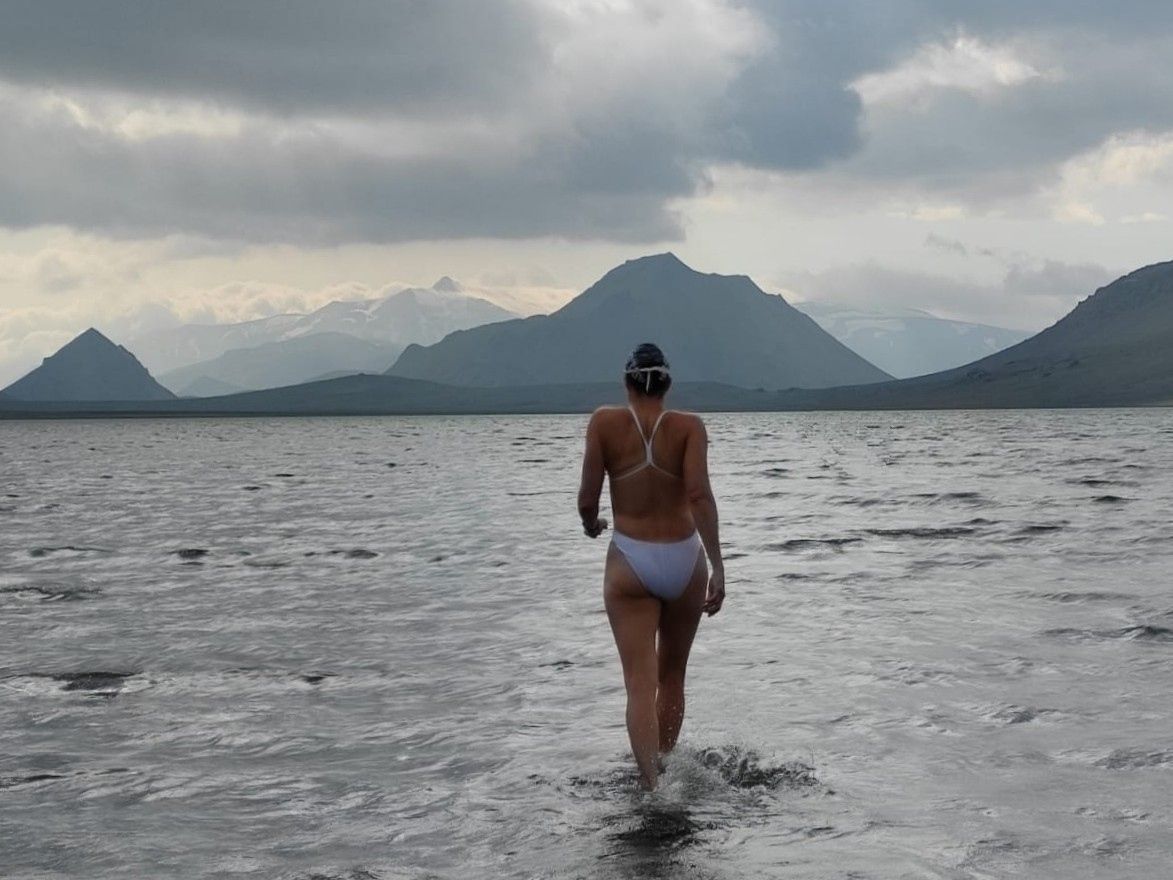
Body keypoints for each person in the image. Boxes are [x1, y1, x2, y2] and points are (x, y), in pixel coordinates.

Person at [577, 342, 725, 789]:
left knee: (639, 683)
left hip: (631, 562)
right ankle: (666, 761)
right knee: (672, 674)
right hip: (684, 558)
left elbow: (587, 499)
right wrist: (718, 566)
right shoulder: (689, 427)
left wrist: (592, 523)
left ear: (626, 382)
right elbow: (698, 496)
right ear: (668, 385)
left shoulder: (604, 423)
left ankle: (651, 786)